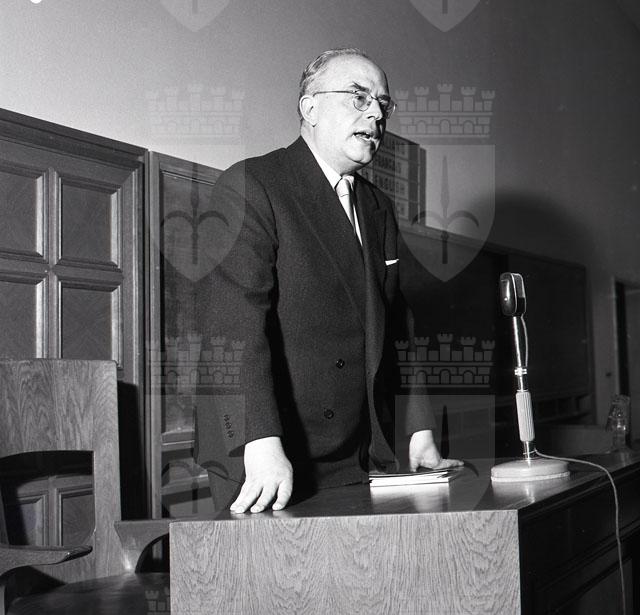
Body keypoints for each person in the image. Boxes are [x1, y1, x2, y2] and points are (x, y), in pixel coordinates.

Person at [195, 48, 462, 514]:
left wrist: (418, 430)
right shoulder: (253, 183)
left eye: (382, 103)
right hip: (269, 452)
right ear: (310, 107)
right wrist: (259, 441)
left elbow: (397, 324)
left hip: (357, 451)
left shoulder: (377, 207)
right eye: (358, 97)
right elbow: (233, 327)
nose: (375, 114)